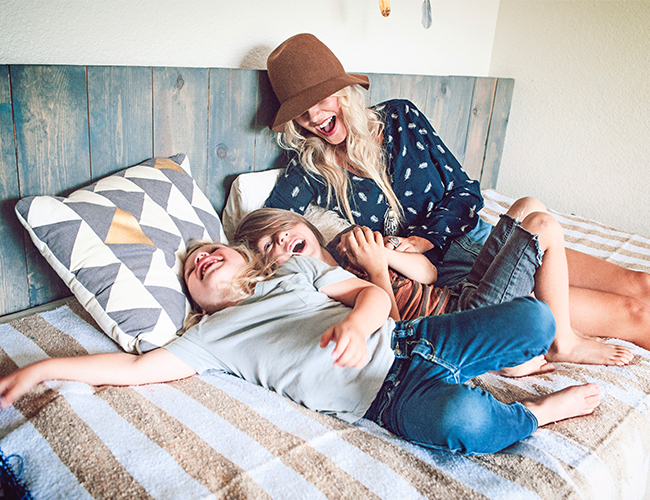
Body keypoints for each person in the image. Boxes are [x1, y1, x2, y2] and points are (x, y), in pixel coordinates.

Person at [0, 241, 601, 455]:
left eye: (209, 250)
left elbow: (372, 293)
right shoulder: (209, 338)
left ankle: (489, 361)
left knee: (538, 317)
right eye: (191, 269)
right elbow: (133, 367)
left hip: (411, 339)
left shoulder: (296, 271)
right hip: (385, 399)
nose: (200, 258)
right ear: (194, 300)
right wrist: (44, 368)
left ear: (244, 255)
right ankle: (534, 414)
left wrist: (359, 325)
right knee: (461, 420)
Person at [263, 33, 650, 336]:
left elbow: (465, 190)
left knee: (640, 284)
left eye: (320, 99)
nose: (314, 117)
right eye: (300, 112)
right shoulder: (309, 170)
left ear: (343, 92)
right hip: (452, 278)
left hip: (479, 236)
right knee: (633, 313)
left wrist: (424, 239)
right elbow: (265, 227)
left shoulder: (400, 117)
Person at [234, 204, 634, 365]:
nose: (282, 238)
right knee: (543, 227)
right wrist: (376, 270)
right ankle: (563, 342)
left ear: (304, 224)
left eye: (284, 227)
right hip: (457, 321)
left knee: (528, 207)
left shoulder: (345, 246)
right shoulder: (319, 289)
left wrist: (386, 254)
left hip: (455, 292)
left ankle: (527, 350)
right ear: (269, 267)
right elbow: (393, 333)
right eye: (269, 246)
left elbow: (428, 273)